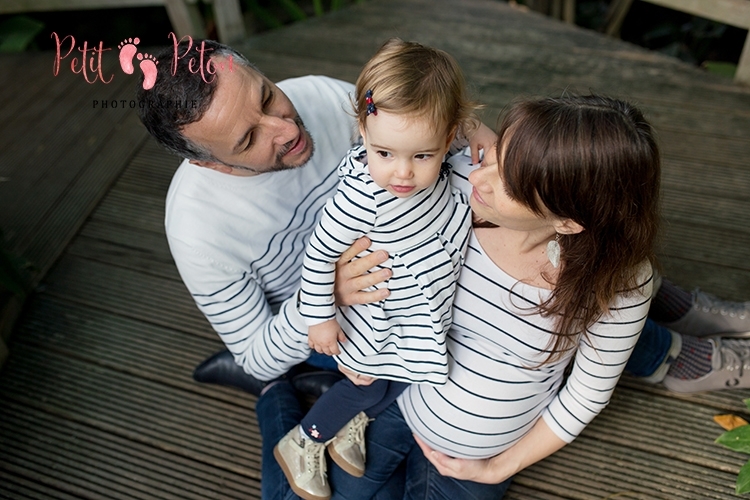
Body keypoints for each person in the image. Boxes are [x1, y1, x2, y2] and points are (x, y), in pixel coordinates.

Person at [135, 38, 750, 498]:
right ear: (208, 163)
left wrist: (470, 135)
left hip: (433, 293)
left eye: (270, 95)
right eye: (249, 140)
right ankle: (280, 402)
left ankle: (667, 325)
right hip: (329, 330)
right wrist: (328, 296)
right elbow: (258, 349)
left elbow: (427, 127)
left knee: (574, 274)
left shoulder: (323, 97)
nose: (287, 126)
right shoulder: (198, 230)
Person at [275, 40, 475, 500]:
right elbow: (319, 254)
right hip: (374, 323)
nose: (401, 173)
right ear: (363, 132)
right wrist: (319, 317)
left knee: (401, 379)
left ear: (447, 140)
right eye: (383, 153)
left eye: (421, 155)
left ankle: (352, 427)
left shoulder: (448, 166)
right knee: (365, 386)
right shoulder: (361, 197)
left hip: (415, 317)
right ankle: (305, 438)